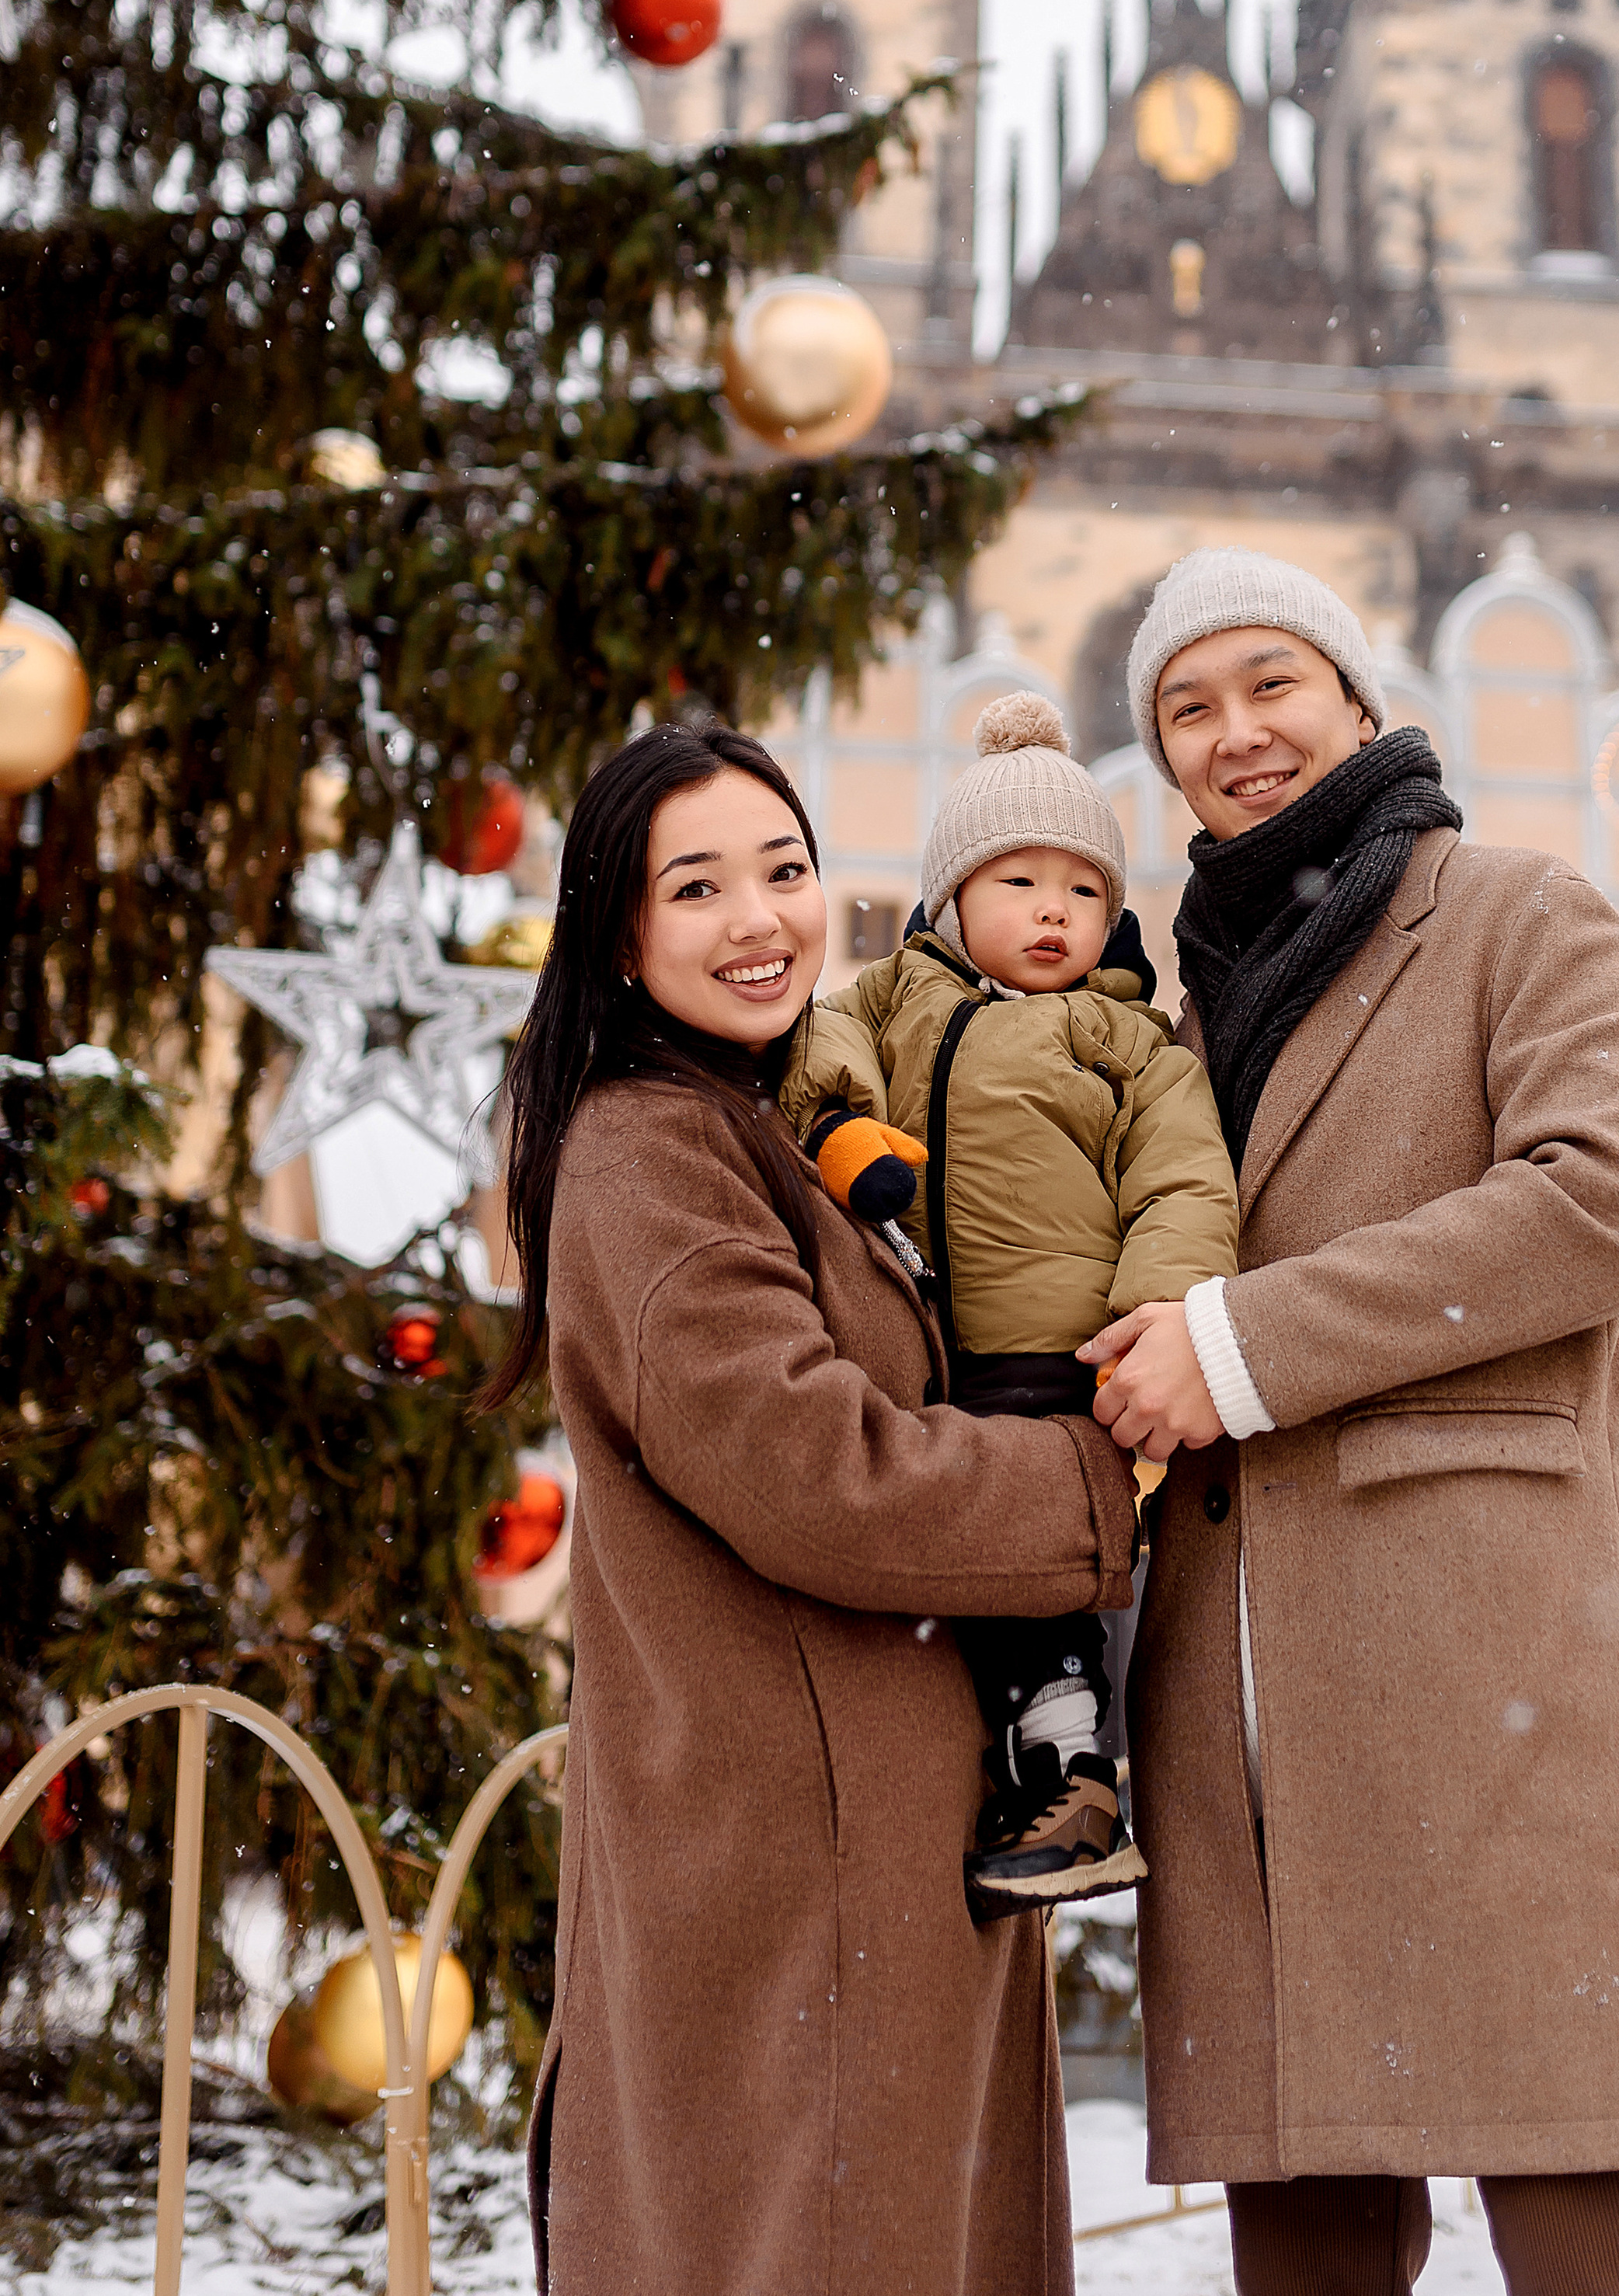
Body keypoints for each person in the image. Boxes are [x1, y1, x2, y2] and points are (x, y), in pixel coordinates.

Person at [1080, 548, 1619, 2296]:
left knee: (1597, 2232)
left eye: (1269, 683)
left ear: (1356, 698)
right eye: (1186, 708)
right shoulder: (1173, 1016)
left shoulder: (1519, 915)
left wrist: (1243, 1344)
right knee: (1305, 2253)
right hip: (1236, 1712)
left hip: (1488, 1671)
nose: (1234, 732)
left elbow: (1608, 1203)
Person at [484, 720, 1140, 2296]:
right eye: (695, 887)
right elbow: (820, 1479)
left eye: (782, 870)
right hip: (800, 1860)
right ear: (618, 934)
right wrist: (1095, 1479)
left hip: (866, 1838)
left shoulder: (777, 1116)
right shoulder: (650, 1152)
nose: (758, 919)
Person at [782, 691, 1236, 1913]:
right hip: (914, 1353)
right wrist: (841, 1133)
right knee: (939, 1577)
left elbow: (1185, 1186)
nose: (1053, 911)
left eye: (1084, 889)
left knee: (1041, 1576)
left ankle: (1078, 1787)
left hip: (1054, 1358)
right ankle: (1010, 1779)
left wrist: (1154, 1317)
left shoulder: (1128, 1042)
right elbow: (812, 1045)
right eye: (1020, 882)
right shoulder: (896, 996)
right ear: (950, 898)